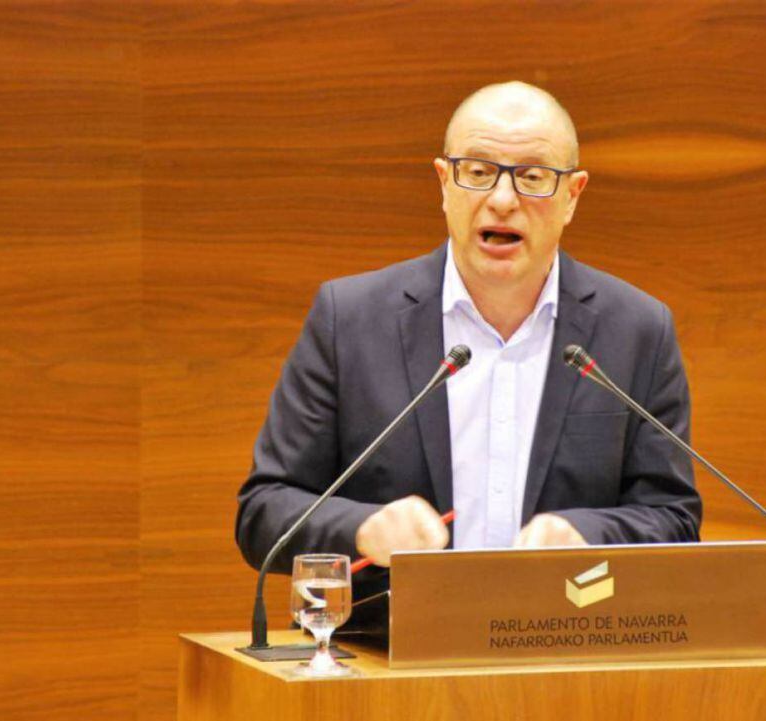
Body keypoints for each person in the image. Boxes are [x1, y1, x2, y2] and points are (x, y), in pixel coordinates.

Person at [235, 82, 701, 610]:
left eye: (533, 177)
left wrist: (586, 535)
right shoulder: (352, 319)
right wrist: (362, 528)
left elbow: (674, 518)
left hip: (569, 651)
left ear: (572, 196)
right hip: (385, 661)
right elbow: (263, 511)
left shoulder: (635, 330)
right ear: (443, 183)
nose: (502, 201)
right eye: (478, 173)